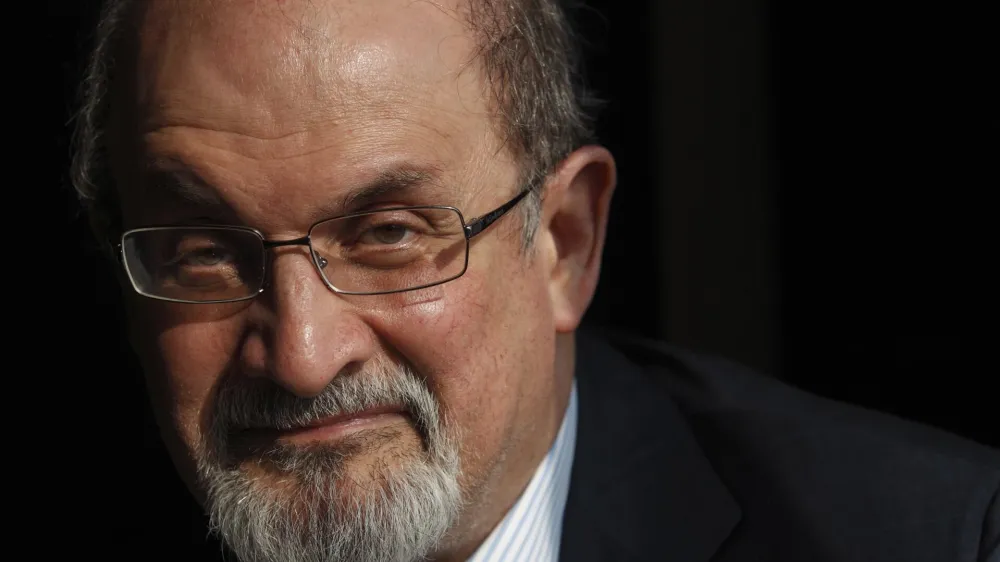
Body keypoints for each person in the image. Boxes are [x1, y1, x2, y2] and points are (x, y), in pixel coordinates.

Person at [69, 0, 998, 561]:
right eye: (204, 251)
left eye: (390, 235)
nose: (303, 357)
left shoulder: (932, 539)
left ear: (565, 241)